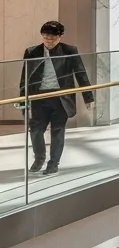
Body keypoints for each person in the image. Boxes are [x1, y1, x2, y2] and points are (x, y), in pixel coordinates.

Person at [21, 21, 94, 176]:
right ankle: (39, 158)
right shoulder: (31, 52)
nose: (48, 40)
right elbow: (25, 78)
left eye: (52, 38)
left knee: (57, 131)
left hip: (61, 98)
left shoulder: (69, 51)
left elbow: (81, 73)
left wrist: (88, 97)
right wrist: (23, 99)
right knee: (35, 129)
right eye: (46, 36)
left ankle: (53, 163)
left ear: (60, 37)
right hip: (39, 98)